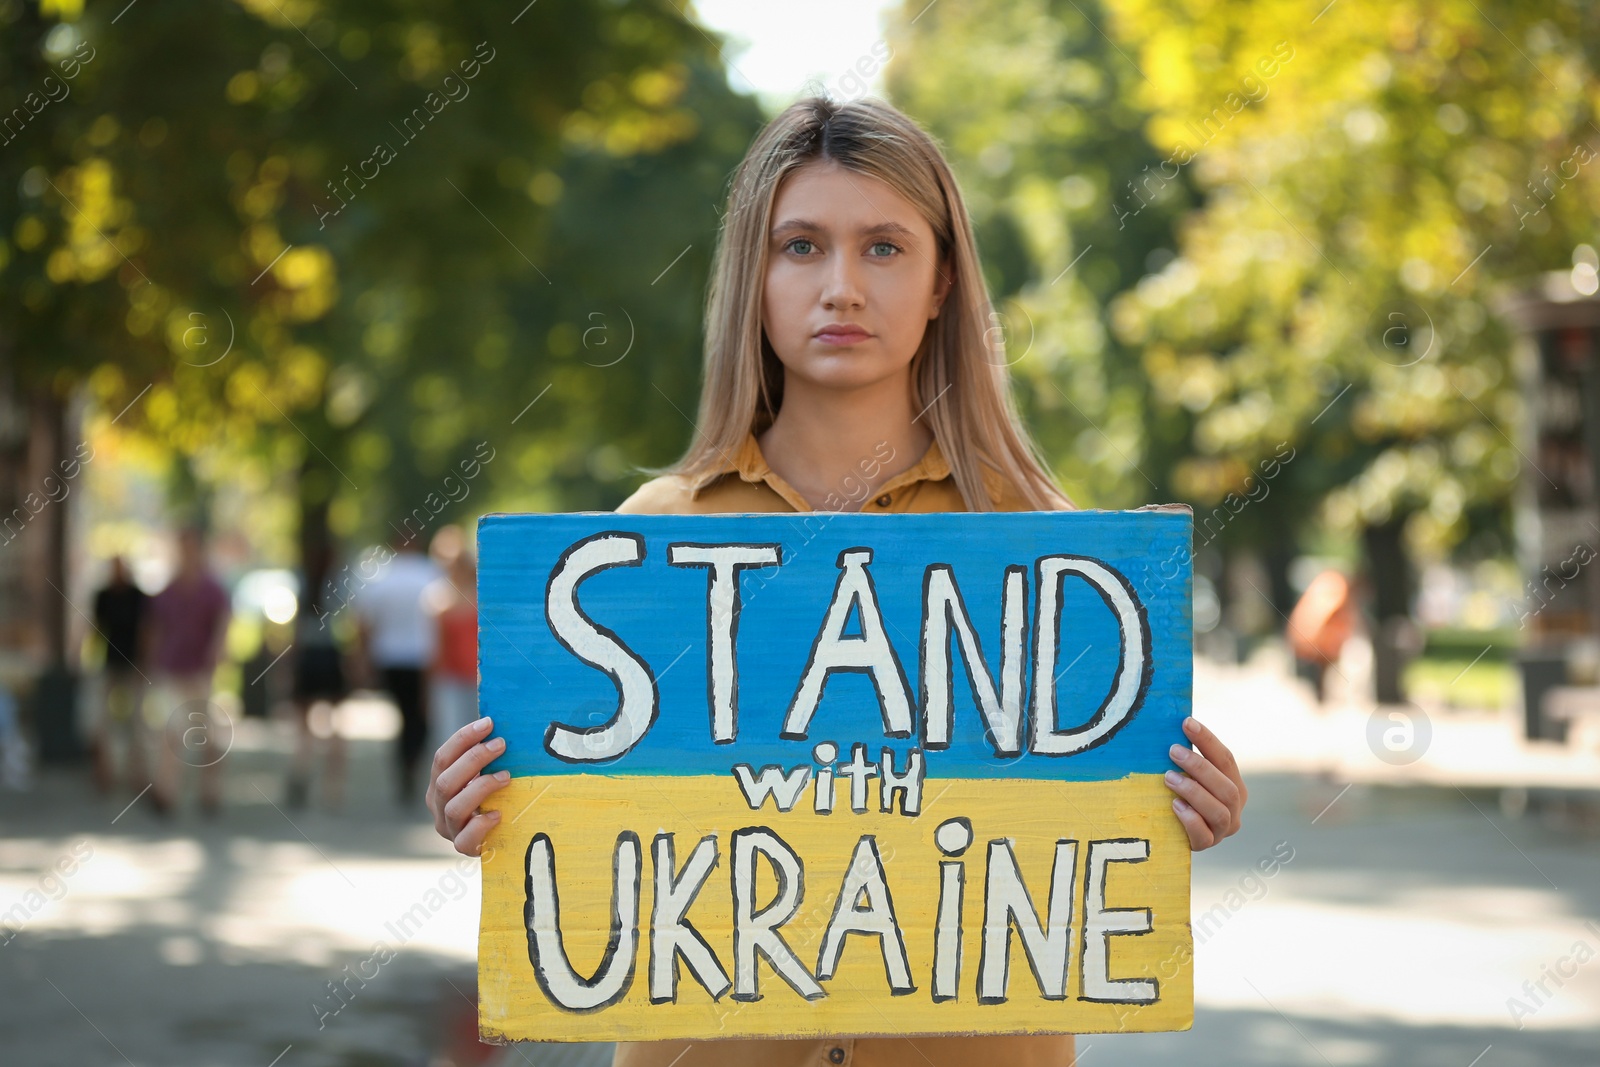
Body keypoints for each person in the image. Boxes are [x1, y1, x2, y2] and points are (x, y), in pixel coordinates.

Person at [426, 97, 1248, 1067]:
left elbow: (1098, 819)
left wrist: (1186, 801)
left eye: (885, 248)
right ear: (754, 278)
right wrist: (491, 802)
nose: (842, 287)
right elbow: (590, 844)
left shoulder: (1049, 548)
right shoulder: (646, 543)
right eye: (802, 246)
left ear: (943, 278)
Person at [147, 527, 231, 816]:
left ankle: (211, 791)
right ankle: (165, 792)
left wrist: (217, 652)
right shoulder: (168, 590)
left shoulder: (212, 589)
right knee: (173, 731)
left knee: (207, 735)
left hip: (199, 672)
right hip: (172, 669)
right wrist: (151, 663)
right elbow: (156, 629)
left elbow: (222, 624)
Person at [355, 529, 442, 804]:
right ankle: (413, 763)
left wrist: (364, 660)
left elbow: (365, 624)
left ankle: (404, 765)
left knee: (402, 715)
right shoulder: (431, 574)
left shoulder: (380, 578)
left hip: (390, 658)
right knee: (420, 716)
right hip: (423, 658)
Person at [286, 557, 350, 809]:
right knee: (336, 724)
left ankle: (300, 770)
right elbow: (346, 625)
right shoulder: (338, 585)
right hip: (330, 656)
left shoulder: (302, 584)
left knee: (304, 727)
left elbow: (296, 628)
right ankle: (333, 788)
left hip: (307, 657)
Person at [89, 555, 148, 794]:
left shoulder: (138, 597)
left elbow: (147, 629)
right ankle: (105, 773)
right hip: (110, 663)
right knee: (101, 719)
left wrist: (145, 663)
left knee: (137, 721)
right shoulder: (103, 596)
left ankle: (138, 775)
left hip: (134, 664)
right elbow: (96, 629)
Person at [423, 526, 478, 758]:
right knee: (452, 738)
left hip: (477, 678)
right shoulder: (436, 597)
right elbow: (435, 649)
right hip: (450, 678)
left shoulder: (480, 593)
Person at [1286, 569, 1358, 704]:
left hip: (1319, 641)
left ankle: (1323, 696)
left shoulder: (1323, 590)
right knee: (1323, 668)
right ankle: (1323, 696)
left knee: (1325, 669)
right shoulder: (1333, 589)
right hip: (1320, 642)